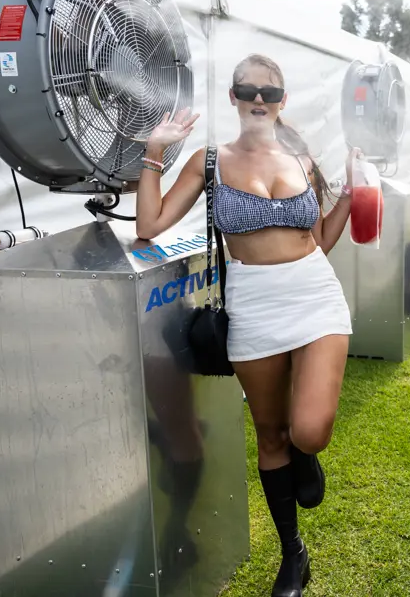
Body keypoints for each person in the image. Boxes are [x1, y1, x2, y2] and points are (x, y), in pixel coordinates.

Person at [136, 53, 357, 596]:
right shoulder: (208, 161)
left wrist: (351, 191)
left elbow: (320, 241)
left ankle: (308, 455)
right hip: (253, 307)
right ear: (233, 97)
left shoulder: (303, 160)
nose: (259, 99)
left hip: (316, 299)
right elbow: (149, 224)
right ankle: (293, 553)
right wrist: (154, 153)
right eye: (248, 89)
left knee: (308, 430)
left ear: (283, 102)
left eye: (270, 92)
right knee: (270, 434)